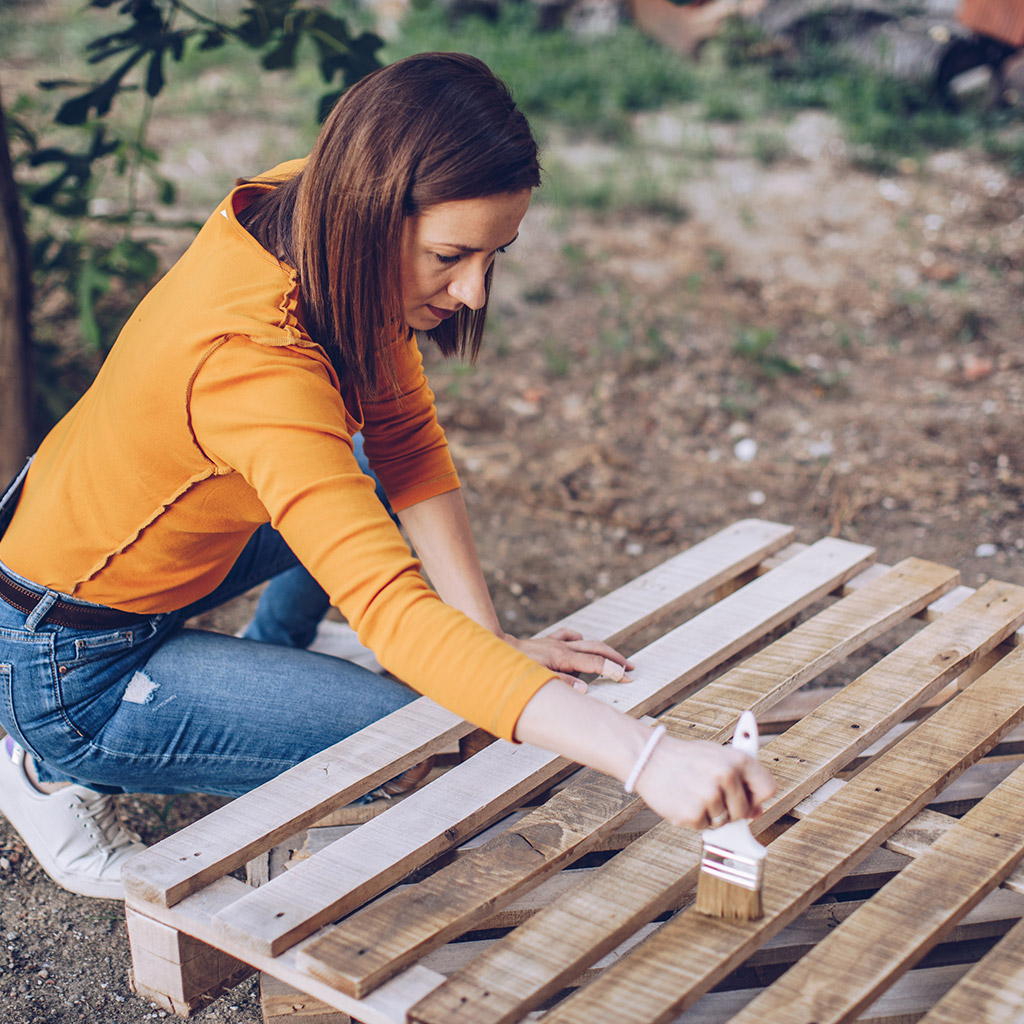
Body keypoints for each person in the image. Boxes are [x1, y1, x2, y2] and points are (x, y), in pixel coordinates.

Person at [0, 52, 775, 900]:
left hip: (140, 547)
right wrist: (646, 757)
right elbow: (394, 612)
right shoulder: (254, 367)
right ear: (370, 212)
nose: (474, 291)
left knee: (366, 469)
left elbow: (404, 445)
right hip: (69, 662)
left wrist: (488, 648)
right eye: (453, 255)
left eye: (495, 254)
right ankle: (48, 768)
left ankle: (263, 663)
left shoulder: (313, 210)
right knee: (419, 744)